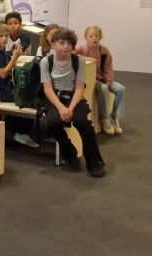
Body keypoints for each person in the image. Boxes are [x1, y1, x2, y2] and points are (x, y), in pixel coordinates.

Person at [38, 28, 105, 177]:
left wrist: (71, 108)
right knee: (52, 122)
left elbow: (80, 87)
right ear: (53, 44)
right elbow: (48, 89)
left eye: (69, 43)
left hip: (74, 98)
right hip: (55, 99)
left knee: (83, 123)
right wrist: (61, 108)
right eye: (62, 43)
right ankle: (70, 154)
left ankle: (94, 162)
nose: (66, 46)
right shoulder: (46, 62)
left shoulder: (78, 61)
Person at [0, 24, 39, 149]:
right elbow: (3, 74)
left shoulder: (2, 52)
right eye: (1, 36)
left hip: (5, 88)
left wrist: (15, 56)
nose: (4, 39)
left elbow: (10, 66)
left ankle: (13, 130)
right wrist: (15, 57)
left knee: (27, 93)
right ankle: (21, 132)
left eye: (6, 36)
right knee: (27, 99)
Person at [76, 26, 125, 135]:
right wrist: (85, 58)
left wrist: (109, 81)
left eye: (96, 36)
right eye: (91, 36)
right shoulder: (81, 48)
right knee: (103, 88)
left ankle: (114, 116)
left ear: (100, 37)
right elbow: (71, 54)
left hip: (103, 78)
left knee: (121, 89)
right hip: (91, 79)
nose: (94, 38)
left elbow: (109, 69)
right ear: (86, 37)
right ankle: (105, 118)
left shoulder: (104, 51)